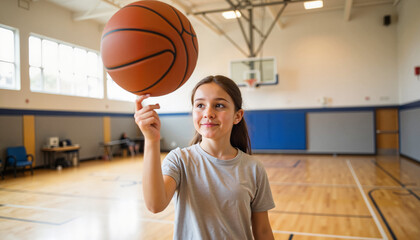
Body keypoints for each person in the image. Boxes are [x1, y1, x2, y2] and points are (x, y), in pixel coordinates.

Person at [134, 75, 275, 239]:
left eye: (219, 105)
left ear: (238, 115)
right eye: (200, 105)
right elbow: (155, 204)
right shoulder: (180, 160)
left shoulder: (253, 168)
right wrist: (152, 140)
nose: (208, 113)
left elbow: (263, 230)